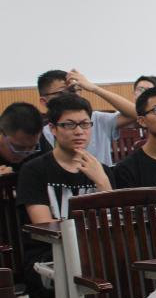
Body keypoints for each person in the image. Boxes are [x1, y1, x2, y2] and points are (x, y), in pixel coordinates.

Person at [17, 93, 114, 224]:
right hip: (54, 238)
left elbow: (115, 223)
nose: (79, 131)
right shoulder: (33, 170)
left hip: (95, 238)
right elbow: (43, 225)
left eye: (85, 124)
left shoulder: (102, 171)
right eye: (69, 125)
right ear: (53, 129)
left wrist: (102, 182)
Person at [38, 69, 138, 167]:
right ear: (44, 101)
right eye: (62, 92)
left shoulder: (97, 119)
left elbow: (138, 113)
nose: (69, 96)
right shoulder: (42, 134)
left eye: (73, 90)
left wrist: (95, 89)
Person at [0, 102, 51, 175]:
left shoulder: (38, 142)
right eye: (19, 148)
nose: (25, 154)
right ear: (2, 133)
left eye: (32, 147)